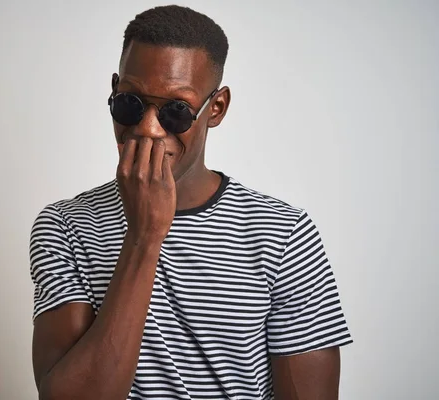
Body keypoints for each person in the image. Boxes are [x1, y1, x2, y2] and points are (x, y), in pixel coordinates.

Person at [30, 5, 352, 399]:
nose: (147, 128)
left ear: (215, 108)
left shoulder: (283, 234)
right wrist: (145, 238)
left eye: (176, 111)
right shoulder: (66, 226)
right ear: (113, 91)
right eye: (130, 103)